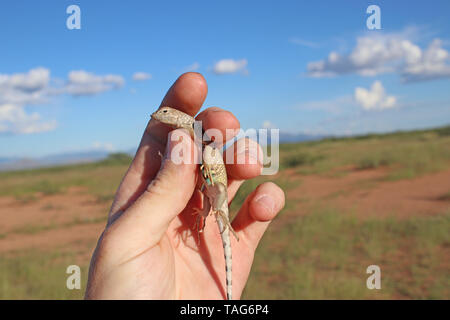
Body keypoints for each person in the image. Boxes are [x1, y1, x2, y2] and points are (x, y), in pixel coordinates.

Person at [85, 72, 285, 299]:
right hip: (209, 187)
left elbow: (205, 147)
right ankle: (209, 212)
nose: (160, 115)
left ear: (175, 116)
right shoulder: (186, 134)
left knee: (217, 194)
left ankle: (215, 215)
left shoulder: (192, 128)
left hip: (215, 183)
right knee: (210, 198)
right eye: (162, 113)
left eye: (165, 113)